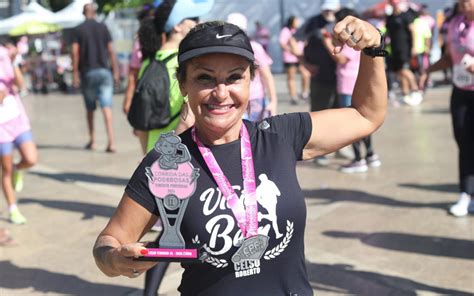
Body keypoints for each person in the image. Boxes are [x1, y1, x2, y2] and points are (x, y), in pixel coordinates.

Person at [93, 16, 387, 294]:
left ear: (251, 81)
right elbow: (109, 242)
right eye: (205, 79)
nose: (221, 93)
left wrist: (374, 48)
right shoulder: (168, 163)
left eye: (235, 78)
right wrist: (115, 259)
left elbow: (366, 115)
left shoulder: (281, 136)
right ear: (183, 84)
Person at [321, 8, 382, 173]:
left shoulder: (349, 38)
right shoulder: (362, 35)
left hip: (348, 85)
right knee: (364, 121)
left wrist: (327, 42)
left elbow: (341, 59)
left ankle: (358, 159)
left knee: (352, 125)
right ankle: (370, 155)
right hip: (359, 82)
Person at [429, 0, 474, 217]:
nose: (463, 4)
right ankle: (466, 193)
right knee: (463, 142)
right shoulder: (455, 23)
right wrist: (426, 71)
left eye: (467, 1)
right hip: (461, 91)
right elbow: (449, 57)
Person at [72, 3, 120, 153]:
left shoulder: (78, 29)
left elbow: (75, 52)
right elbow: (111, 51)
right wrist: (116, 71)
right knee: (107, 108)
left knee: (90, 108)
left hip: (88, 72)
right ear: (95, 12)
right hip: (104, 72)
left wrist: (74, 73)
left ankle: (93, 141)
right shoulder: (103, 27)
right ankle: (111, 142)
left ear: (83, 13)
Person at [0, 38, 38, 225]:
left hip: (18, 120)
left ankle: (18, 168)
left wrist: (13, 61)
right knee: (5, 170)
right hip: (1, 129)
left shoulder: (6, 59)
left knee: (31, 159)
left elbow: (21, 85)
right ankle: (13, 208)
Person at [298, 0, 340, 166]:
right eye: (326, 10)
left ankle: (338, 147)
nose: (329, 14)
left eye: (332, 10)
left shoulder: (343, 21)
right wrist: (305, 64)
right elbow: (292, 42)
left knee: (340, 114)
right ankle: (320, 150)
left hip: (342, 78)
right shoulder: (313, 22)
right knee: (318, 115)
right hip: (320, 78)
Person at [227, 12, 278, 121]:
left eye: (237, 31)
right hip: (231, 98)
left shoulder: (255, 48)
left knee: (252, 133)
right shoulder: (224, 50)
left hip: (254, 100)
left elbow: (267, 76)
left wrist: (273, 101)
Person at [123, 6, 155, 154]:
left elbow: (133, 73)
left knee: (145, 135)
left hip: (145, 93)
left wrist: (128, 98)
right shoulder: (166, 38)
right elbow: (133, 73)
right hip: (151, 92)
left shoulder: (140, 40)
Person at [385, 0, 423, 106]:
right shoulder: (390, 18)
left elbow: (413, 31)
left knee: (404, 70)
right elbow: (387, 33)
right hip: (393, 48)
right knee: (398, 71)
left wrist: (414, 46)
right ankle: (405, 94)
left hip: (404, 48)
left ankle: (416, 91)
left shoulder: (406, 16)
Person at [279, 15, 310, 105]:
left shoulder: (299, 31)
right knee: (291, 77)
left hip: (300, 57)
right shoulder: (286, 31)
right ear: (292, 21)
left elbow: (304, 40)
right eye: (296, 21)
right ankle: (293, 96)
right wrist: (291, 51)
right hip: (290, 58)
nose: (298, 23)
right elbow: (282, 43)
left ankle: (304, 93)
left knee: (306, 74)